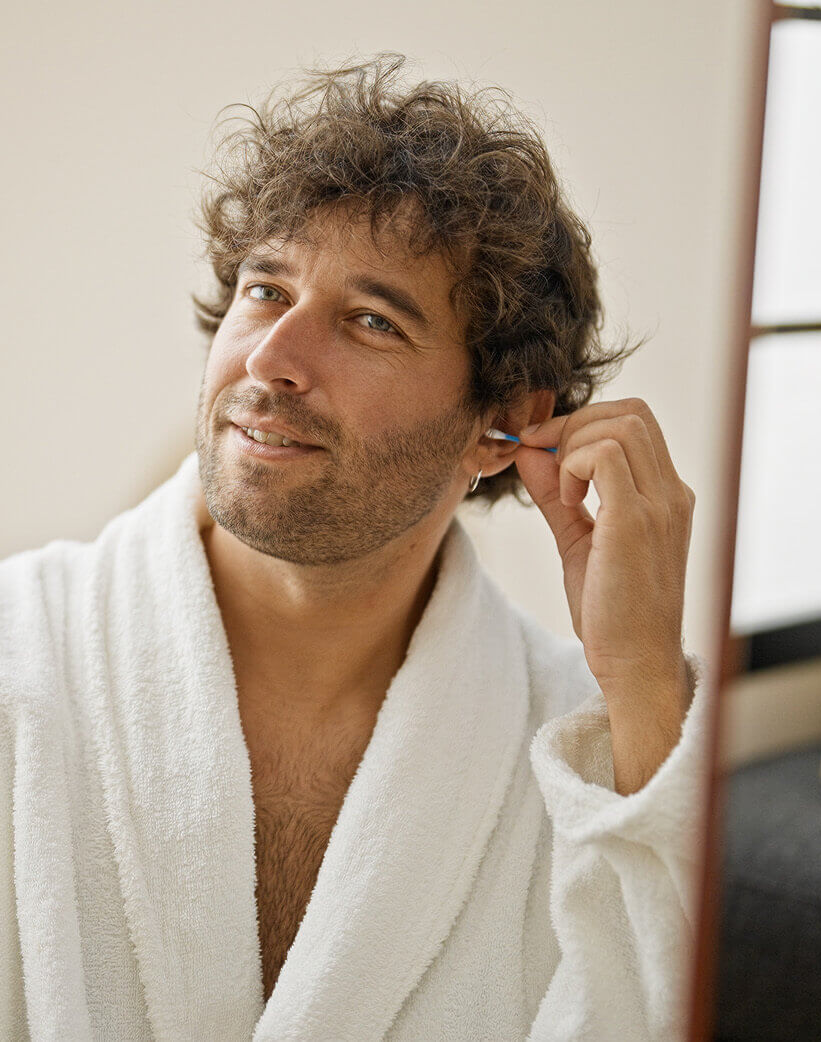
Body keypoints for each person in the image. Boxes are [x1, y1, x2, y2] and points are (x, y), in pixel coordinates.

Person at [0, 54, 706, 1042]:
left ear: (498, 422)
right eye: (263, 289)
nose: (269, 359)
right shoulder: (20, 654)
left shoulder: (581, 748)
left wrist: (638, 678)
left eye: (370, 321)